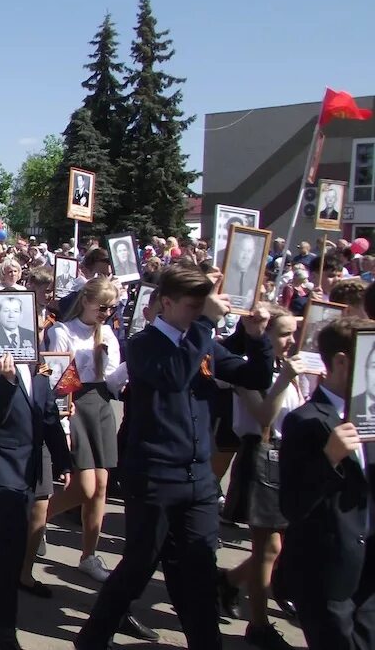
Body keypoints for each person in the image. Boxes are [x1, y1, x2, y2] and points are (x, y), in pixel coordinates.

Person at [76, 264, 273, 650]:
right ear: (166, 303)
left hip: (198, 480)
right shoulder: (144, 343)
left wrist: (256, 339)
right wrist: (206, 325)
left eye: (203, 306)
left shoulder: (201, 342)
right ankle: (92, 638)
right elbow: (174, 376)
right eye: (191, 306)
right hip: (155, 478)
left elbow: (256, 378)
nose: (198, 313)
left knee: (198, 572)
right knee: (137, 568)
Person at [275, 317, 375, 650]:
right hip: (327, 575)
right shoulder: (306, 421)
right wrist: (328, 460)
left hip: (368, 570)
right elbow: (293, 505)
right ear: (342, 362)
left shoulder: (370, 415)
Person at [0, 351, 72, 650]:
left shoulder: (40, 369)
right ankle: (4, 627)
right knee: (14, 541)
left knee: (6, 535)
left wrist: (64, 461)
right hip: (0, 464)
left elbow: (49, 415)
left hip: (28, 466)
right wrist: (7, 381)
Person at [217, 305, 304, 650]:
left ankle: (228, 581)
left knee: (280, 548)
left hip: (291, 458)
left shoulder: (287, 366)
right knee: (268, 547)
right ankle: (259, 623)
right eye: (283, 334)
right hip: (262, 454)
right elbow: (264, 415)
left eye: (292, 333)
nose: (291, 340)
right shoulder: (248, 372)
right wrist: (283, 380)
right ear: (263, 337)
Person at [45, 277, 127, 582]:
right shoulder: (62, 332)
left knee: (101, 487)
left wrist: (117, 363)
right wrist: (64, 420)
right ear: (86, 302)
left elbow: (114, 384)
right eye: (102, 306)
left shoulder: (108, 334)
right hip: (74, 402)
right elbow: (54, 378)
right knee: (84, 487)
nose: (106, 313)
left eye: (112, 308)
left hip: (101, 404)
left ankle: (89, 555)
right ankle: (39, 517)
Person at [0, 296, 35, 361]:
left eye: (16, 311)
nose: (11, 315)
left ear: (21, 315)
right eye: (6, 311)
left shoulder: (31, 335)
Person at [226, 234, 261, 310]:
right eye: (243, 250)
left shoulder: (256, 276)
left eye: (249, 251)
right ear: (236, 250)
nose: (246, 256)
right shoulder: (226, 274)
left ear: (253, 253)